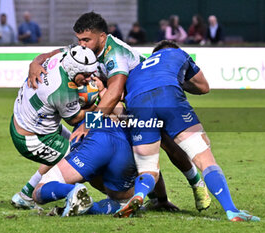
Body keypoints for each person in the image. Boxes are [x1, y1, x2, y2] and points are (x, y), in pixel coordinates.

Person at [26, 11, 211, 212]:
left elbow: (114, 92)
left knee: (166, 141)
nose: (82, 44)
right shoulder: (84, 48)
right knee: (139, 146)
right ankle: (154, 198)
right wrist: (35, 63)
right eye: (79, 40)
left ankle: (195, 184)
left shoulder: (115, 53)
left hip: (146, 98)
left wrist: (89, 123)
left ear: (102, 37)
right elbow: (56, 53)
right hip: (128, 103)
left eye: (86, 39)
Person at [114, 40, 260, 222]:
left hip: (138, 103)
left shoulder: (137, 69)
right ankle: (231, 210)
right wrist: (180, 83)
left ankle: (140, 196)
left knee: (147, 168)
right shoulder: (177, 53)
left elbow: (120, 95)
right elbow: (203, 87)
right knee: (204, 157)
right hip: (168, 96)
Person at [10, 45, 98, 209]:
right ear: (73, 70)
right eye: (85, 75)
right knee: (76, 159)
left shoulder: (64, 57)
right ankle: (56, 193)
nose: (89, 79)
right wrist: (99, 104)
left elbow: (46, 54)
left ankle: (26, 195)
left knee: (74, 147)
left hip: (26, 120)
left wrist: (34, 63)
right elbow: (75, 119)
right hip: (32, 138)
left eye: (91, 74)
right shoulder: (62, 90)